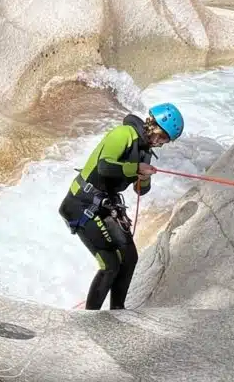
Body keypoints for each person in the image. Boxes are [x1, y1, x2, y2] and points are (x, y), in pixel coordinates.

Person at [59, 103, 184, 311]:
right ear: (153, 125)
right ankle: (89, 319)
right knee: (110, 265)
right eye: (161, 137)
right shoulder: (123, 134)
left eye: (165, 141)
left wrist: (143, 177)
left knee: (130, 258)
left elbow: (140, 191)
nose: (161, 143)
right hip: (80, 203)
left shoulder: (145, 152)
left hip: (102, 205)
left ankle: (118, 310)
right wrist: (135, 168)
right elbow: (105, 167)